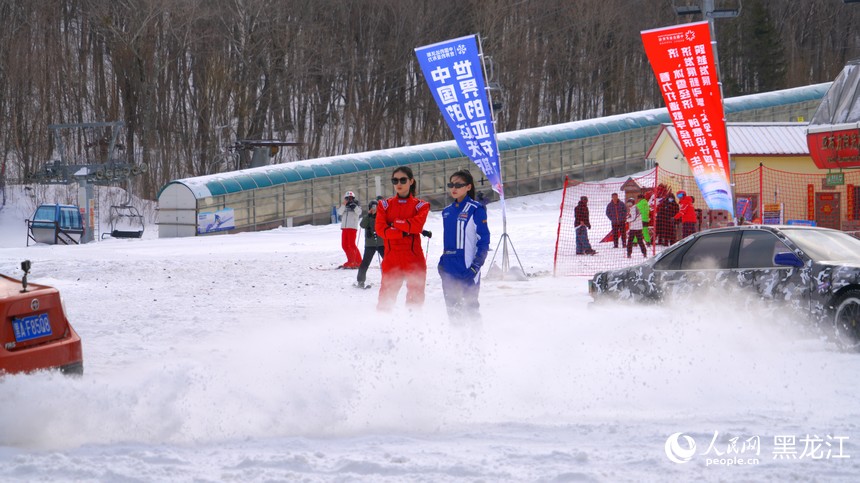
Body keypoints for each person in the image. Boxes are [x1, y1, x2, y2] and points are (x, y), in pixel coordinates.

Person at [375, 166, 431, 311]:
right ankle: (382, 328)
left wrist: (394, 223)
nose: (398, 183)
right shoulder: (384, 205)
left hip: (413, 258)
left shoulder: (421, 205)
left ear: (411, 181)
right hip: (392, 258)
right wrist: (404, 231)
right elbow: (381, 229)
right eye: (395, 180)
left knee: (415, 298)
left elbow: (417, 226)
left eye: (403, 180)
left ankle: (413, 327)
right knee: (385, 299)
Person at [438, 169, 490, 321]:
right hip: (448, 268)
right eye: (451, 184)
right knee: (453, 312)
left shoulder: (476, 209)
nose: (454, 188)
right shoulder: (446, 211)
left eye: (458, 185)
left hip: (467, 267)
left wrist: (475, 266)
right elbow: (447, 240)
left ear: (468, 187)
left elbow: (484, 241)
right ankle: (456, 343)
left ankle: (477, 342)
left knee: (471, 309)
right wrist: (442, 263)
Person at [355, 200, 384, 288]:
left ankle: (392, 279)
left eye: (375, 207)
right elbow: (362, 225)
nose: (374, 209)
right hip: (370, 244)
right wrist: (369, 215)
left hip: (381, 243)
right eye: (372, 207)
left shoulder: (382, 216)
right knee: (365, 263)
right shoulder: (367, 217)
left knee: (388, 261)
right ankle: (360, 281)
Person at [336, 191, 362, 268]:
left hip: (352, 227)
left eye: (351, 198)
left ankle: (358, 261)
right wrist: (344, 205)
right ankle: (351, 260)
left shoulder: (356, 205)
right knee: (344, 245)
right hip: (344, 227)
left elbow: (359, 212)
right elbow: (339, 213)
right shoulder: (344, 206)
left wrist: (355, 207)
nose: (349, 200)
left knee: (352, 245)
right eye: (347, 198)